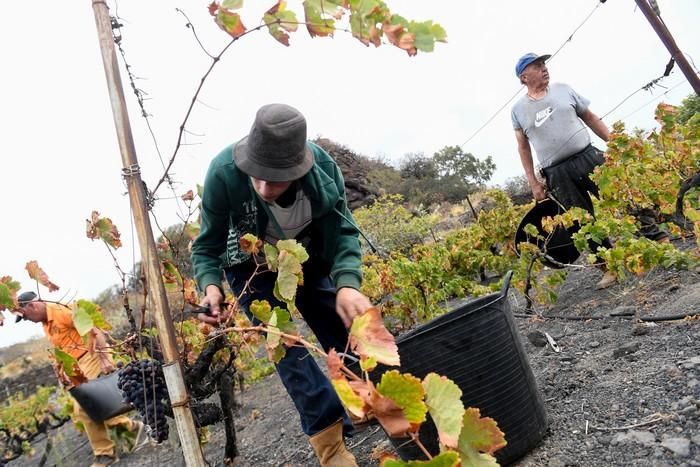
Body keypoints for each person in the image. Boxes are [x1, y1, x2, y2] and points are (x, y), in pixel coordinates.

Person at [192, 103, 372, 466]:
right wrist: (211, 288)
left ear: (298, 168)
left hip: (304, 254)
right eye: (255, 175)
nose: (262, 187)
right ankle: (330, 444)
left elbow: (342, 235)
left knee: (336, 323)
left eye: (274, 178)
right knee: (286, 347)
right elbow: (206, 246)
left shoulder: (323, 172)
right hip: (250, 267)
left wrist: (348, 284)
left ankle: (362, 402)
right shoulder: (223, 173)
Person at [511, 52, 619, 289]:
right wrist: (533, 182)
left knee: (621, 194)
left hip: (588, 157)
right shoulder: (518, 110)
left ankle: (656, 236)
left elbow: (590, 118)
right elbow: (523, 148)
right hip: (557, 173)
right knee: (582, 220)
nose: (544, 68)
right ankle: (609, 267)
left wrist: (615, 143)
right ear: (524, 77)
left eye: (544, 64)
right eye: (537, 66)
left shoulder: (563, 89)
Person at [14, 291, 147, 467]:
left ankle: (105, 453)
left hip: (90, 356)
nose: (27, 320)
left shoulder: (62, 311)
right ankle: (130, 427)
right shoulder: (45, 323)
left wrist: (105, 357)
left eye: (25, 316)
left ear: (32, 305)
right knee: (89, 406)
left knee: (83, 408)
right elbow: (62, 349)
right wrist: (63, 375)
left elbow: (93, 328)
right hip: (77, 365)